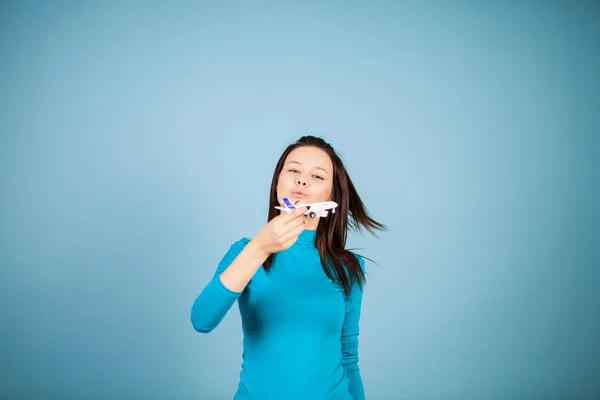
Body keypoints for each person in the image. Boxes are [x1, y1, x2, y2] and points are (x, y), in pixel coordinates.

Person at [190, 135, 386, 400]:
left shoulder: (349, 267)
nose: (302, 180)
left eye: (317, 176)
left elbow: (348, 354)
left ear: (332, 194)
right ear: (278, 182)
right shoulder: (244, 252)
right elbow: (201, 320)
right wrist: (260, 247)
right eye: (293, 170)